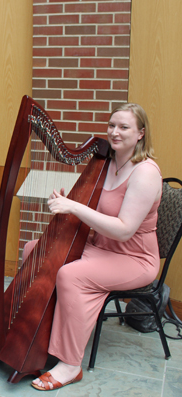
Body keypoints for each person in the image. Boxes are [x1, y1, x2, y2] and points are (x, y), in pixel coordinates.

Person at [28, 103, 162, 391]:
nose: (114, 132)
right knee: (33, 250)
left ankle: (69, 365)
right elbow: (93, 211)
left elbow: (125, 230)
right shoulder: (107, 162)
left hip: (133, 257)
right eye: (112, 125)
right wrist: (68, 204)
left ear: (140, 133)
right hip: (100, 246)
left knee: (70, 275)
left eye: (124, 127)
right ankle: (37, 336)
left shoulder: (145, 173)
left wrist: (74, 207)